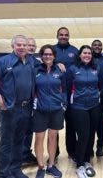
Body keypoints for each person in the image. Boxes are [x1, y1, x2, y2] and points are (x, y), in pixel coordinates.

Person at [0, 35, 35, 178]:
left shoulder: (31, 61)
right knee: (7, 142)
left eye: (24, 45)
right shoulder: (3, 62)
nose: (21, 47)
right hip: (9, 108)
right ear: (12, 46)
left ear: (28, 47)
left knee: (20, 140)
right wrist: (0, 101)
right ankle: (4, 173)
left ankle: (16, 169)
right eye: (18, 45)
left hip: (26, 107)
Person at [67, 45, 101, 178]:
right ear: (80, 55)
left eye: (89, 53)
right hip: (78, 106)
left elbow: (101, 85)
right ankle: (79, 164)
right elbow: (68, 87)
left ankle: (87, 161)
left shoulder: (96, 68)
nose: (87, 55)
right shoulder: (73, 69)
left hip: (94, 106)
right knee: (83, 135)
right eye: (84, 53)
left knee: (92, 133)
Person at [33, 45, 66, 178]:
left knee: (53, 138)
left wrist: (63, 104)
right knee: (39, 139)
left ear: (54, 56)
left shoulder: (60, 71)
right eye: (45, 54)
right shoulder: (35, 71)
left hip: (56, 110)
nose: (47, 56)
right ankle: (41, 166)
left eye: (50, 54)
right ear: (41, 56)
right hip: (40, 110)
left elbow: (64, 89)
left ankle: (51, 165)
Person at [53, 27, 78, 161]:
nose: (63, 36)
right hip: (55, 94)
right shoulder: (51, 50)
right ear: (57, 36)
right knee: (54, 125)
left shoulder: (75, 51)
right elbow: (46, 62)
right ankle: (54, 152)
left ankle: (72, 151)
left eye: (66, 35)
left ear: (69, 36)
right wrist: (56, 63)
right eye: (61, 35)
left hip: (71, 94)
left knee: (71, 125)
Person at [22, 38, 39, 164]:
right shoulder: (17, 60)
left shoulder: (36, 62)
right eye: (29, 45)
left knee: (29, 130)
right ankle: (17, 157)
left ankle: (26, 154)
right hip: (17, 103)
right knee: (18, 131)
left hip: (31, 102)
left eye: (33, 46)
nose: (31, 47)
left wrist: (58, 64)